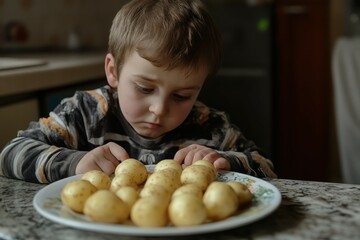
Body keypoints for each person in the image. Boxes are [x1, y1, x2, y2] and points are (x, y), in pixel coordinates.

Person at [0, 0, 276, 183]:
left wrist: (225, 161)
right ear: (113, 72)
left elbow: (266, 167)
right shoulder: (84, 113)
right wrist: (75, 162)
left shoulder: (210, 126)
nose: (159, 109)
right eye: (145, 88)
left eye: (182, 96)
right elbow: (11, 154)